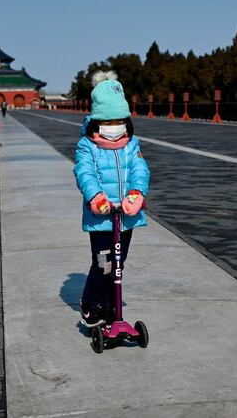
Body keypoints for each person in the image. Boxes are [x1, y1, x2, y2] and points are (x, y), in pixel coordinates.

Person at [73, 71, 150, 328]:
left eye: (120, 121)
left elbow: (140, 169)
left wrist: (137, 194)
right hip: (102, 216)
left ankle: (111, 306)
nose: (115, 128)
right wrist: (95, 197)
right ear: (97, 121)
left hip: (125, 215)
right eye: (109, 122)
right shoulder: (88, 145)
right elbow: (84, 172)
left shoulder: (132, 143)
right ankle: (91, 303)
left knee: (119, 263)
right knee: (104, 262)